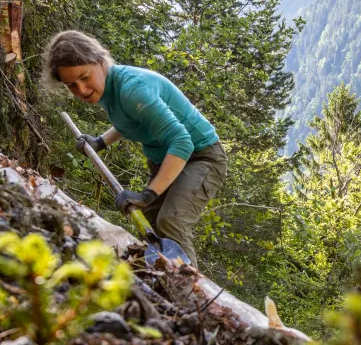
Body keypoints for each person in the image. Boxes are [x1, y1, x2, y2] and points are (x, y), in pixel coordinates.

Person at [45, 30, 227, 265]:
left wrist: (147, 195)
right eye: (71, 85)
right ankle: (163, 283)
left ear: (101, 62)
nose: (81, 90)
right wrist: (100, 141)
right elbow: (129, 120)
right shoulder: (109, 89)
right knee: (150, 222)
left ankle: (191, 294)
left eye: (84, 77)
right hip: (166, 159)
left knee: (171, 221)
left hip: (201, 157)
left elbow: (182, 141)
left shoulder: (132, 88)